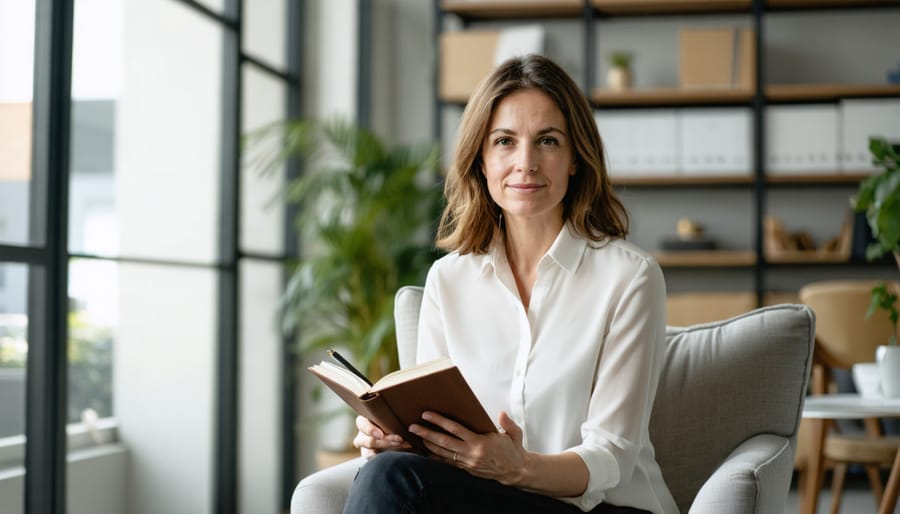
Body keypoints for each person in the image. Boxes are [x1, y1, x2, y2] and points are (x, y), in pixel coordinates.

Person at [343, 54, 678, 514]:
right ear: (480, 160)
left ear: (576, 158)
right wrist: (392, 441)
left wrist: (517, 466)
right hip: (492, 501)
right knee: (387, 472)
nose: (526, 163)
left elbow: (611, 457)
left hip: (604, 507)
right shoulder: (449, 279)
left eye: (547, 141)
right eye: (504, 141)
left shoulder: (630, 278)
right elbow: (434, 438)